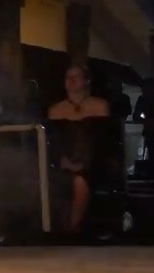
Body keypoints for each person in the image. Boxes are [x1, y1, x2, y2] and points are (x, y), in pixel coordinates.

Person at [47, 64, 110, 233]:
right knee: (54, 180)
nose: (71, 80)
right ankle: (55, 226)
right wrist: (63, 161)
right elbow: (54, 143)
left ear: (87, 80)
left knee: (80, 180)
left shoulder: (100, 106)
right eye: (68, 77)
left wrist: (84, 163)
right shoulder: (55, 110)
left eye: (76, 76)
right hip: (64, 161)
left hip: (93, 161)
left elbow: (102, 141)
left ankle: (72, 227)